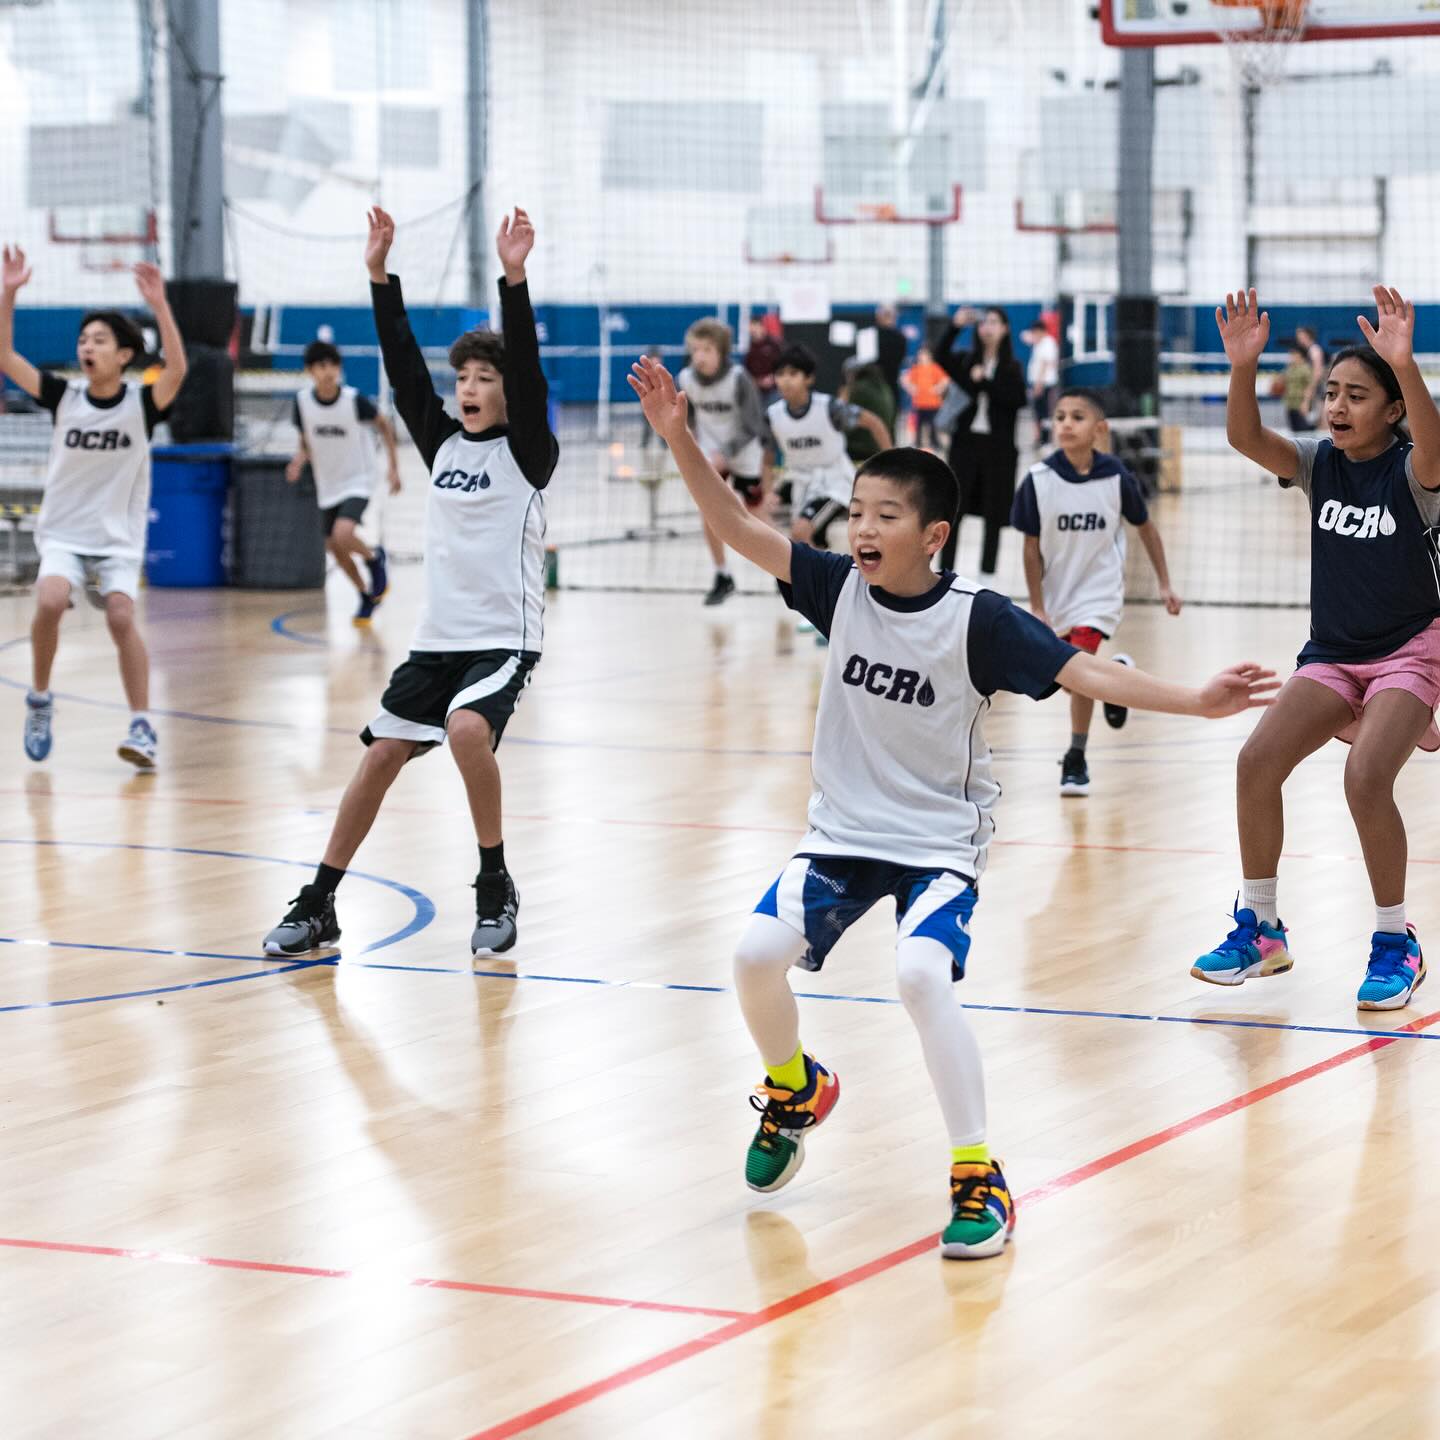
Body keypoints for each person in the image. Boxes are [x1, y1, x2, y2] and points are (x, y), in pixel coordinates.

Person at [628, 352, 1275, 1260]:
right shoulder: (837, 587)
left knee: (922, 978)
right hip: (841, 835)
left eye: (884, 515)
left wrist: (1199, 700)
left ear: (933, 535)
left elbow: (1084, 670)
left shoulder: (979, 618)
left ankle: (978, 1175)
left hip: (937, 844)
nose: (862, 527)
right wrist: (677, 436)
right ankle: (795, 1086)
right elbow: (735, 524)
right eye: (857, 511)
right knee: (750, 958)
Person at [262, 205, 557, 960]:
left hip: (503, 640)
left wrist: (514, 278)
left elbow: (528, 368)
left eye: (484, 378)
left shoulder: (528, 452)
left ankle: (494, 885)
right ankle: (319, 902)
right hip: (437, 641)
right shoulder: (444, 444)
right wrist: (378, 275)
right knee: (379, 757)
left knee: (467, 730)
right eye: (463, 378)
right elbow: (402, 370)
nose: (469, 387)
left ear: (506, 392)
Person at [1193, 286, 1440, 1012]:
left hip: (1411, 649)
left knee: (1365, 779)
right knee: (1256, 762)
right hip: (1332, 653)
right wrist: (1244, 365)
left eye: (1357, 395)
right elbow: (1246, 438)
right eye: (1331, 392)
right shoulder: (1316, 462)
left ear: (1392, 410)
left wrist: (1407, 364)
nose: (1337, 406)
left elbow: (1436, 446)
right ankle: (1262, 930)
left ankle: (1395, 941)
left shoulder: (1415, 474)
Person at [1, 247, 188, 769]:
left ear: (124, 354)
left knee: (122, 617)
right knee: (49, 599)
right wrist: (9, 293)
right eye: (84, 340)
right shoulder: (64, 396)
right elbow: (6, 356)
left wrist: (160, 305)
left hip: (116, 539)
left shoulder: (141, 404)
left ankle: (142, 725)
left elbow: (177, 368)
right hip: (64, 532)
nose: (88, 346)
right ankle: (40, 698)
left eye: (100, 340)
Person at [1011, 387, 1182, 795]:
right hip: (1058, 594)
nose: (1066, 424)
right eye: (1060, 417)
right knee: (1073, 678)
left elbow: (1146, 528)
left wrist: (1164, 582)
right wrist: (1037, 606)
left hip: (1100, 592)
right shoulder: (1038, 480)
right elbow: (1030, 549)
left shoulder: (1116, 477)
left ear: (1099, 429)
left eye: (1077, 417)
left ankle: (1076, 757)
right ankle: (1117, 677)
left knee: (1081, 666)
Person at [288, 339, 402, 625]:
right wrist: (299, 460)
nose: (328, 371)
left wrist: (393, 467)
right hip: (328, 483)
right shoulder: (302, 403)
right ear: (310, 370)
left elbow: (385, 425)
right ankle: (365, 594)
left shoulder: (353, 400)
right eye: (321, 366)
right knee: (335, 547)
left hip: (359, 478)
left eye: (333, 365)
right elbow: (305, 440)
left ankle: (374, 559)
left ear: (339, 369)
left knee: (343, 533)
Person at [678, 317, 772, 605]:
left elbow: (753, 426)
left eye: (707, 350)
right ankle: (722, 575)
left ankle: (785, 571)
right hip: (711, 453)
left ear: (721, 351)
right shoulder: (686, 379)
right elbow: (688, 419)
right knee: (709, 512)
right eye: (695, 350)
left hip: (744, 453)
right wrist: (692, 447)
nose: (700, 356)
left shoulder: (738, 378)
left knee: (756, 515)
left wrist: (726, 455)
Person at [769, 343, 890, 553]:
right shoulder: (773, 414)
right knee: (793, 535)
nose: (786, 380)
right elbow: (767, 454)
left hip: (833, 481)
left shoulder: (829, 407)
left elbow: (874, 422)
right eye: (780, 374)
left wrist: (890, 460)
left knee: (801, 530)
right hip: (801, 480)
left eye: (793, 374)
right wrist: (768, 490)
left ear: (809, 378)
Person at [936, 306, 1026, 576]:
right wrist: (956, 326)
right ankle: (945, 574)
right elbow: (940, 355)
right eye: (984, 322)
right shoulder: (967, 360)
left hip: (998, 449)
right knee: (954, 509)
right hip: (965, 445)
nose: (988, 326)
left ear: (1005, 329)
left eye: (994, 322)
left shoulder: (1012, 367)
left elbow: (1016, 400)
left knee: (993, 514)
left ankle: (988, 575)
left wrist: (985, 381)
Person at [840, 357, 898, 467]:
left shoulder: (858, 389)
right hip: (882, 446)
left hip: (860, 450)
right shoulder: (884, 387)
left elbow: (843, 423)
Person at [1021, 311, 1061, 443]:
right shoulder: (1039, 343)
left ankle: (1046, 439)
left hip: (1044, 384)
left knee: (1045, 413)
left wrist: (1039, 384)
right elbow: (1025, 336)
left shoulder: (1048, 343)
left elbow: (1044, 365)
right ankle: (1040, 438)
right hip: (1039, 383)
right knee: (1038, 413)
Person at [901, 343, 949, 450]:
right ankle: (918, 443)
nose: (921, 357)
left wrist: (938, 388)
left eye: (923, 354)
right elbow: (905, 379)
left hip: (933, 403)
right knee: (918, 424)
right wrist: (911, 388)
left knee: (933, 424)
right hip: (920, 402)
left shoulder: (935, 368)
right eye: (920, 354)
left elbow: (945, 380)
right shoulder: (916, 369)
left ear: (929, 355)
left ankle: (934, 442)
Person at [744, 314, 783, 401]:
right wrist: (758, 381)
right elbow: (747, 370)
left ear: (762, 326)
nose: (753, 330)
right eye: (751, 327)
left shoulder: (774, 344)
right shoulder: (749, 348)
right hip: (756, 391)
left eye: (755, 326)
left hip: (773, 390)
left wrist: (773, 378)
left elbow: (782, 364)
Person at [1279, 338, 1314, 433]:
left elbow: (1309, 387)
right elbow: (1283, 381)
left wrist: (1306, 403)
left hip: (1300, 403)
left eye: (1293, 354)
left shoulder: (1305, 369)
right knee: (1293, 430)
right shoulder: (1290, 368)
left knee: (1303, 430)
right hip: (1290, 403)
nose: (1291, 356)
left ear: (1300, 355)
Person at [1296, 322, 1328, 425]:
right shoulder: (1309, 350)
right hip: (1316, 385)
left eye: (1300, 335)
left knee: (1323, 418)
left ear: (1307, 336)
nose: (1298, 338)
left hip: (1319, 385)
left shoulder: (1315, 350)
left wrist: (1310, 388)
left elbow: (1318, 372)